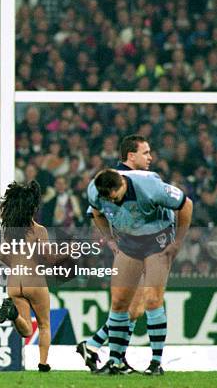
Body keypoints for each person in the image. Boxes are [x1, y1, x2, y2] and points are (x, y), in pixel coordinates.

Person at [87, 168, 192, 375]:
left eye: (115, 197)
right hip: (128, 240)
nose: (113, 202)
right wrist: (109, 238)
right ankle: (115, 362)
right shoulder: (95, 191)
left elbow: (185, 204)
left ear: (123, 185)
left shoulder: (150, 187)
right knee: (119, 302)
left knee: (152, 299)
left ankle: (155, 363)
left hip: (157, 239)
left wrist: (178, 241)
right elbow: (97, 213)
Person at [77, 134, 153, 372]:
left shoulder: (114, 180)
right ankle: (108, 354)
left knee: (134, 309)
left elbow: (95, 211)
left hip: (137, 248)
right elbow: (95, 211)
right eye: (146, 152)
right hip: (135, 250)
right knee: (131, 307)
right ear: (131, 155)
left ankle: (103, 350)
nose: (150, 157)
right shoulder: (126, 180)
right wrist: (111, 241)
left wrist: (111, 239)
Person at [0, 181, 52, 372]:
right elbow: (46, 257)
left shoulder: (8, 231)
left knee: (26, 329)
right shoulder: (39, 230)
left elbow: (2, 256)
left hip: (14, 281)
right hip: (34, 280)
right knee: (44, 325)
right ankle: (43, 364)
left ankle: (13, 314)